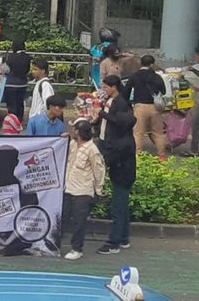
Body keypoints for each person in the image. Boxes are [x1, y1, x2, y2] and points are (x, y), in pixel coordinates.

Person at [95, 75, 137, 254]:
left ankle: (114, 243)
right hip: (122, 168)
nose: (104, 89)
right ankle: (124, 238)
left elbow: (117, 121)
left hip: (122, 170)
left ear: (114, 87)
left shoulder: (121, 106)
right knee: (122, 204)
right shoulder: (112, 102)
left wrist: (102, 113)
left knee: (118, 206)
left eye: (106, 86)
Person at [60, 120, 105, 260]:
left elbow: (99, 171)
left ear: (78, 131)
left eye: (74, 128)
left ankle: (77, 249)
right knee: (62, 218)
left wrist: (98, 190)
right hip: (68, 188)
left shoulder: (92, 150)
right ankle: (55, 244)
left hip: (83, 191)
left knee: (79, 223)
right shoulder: (73, 144)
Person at [129, 55, 169, 157]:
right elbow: (163, 91)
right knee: (158, 133)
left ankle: (138, 155)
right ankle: (162, 155)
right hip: (155, 107)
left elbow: (126, 91)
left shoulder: (135, 76)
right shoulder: (157, 77)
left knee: (139, 133)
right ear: (152, 64)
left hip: (140, 107)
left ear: (141, 63)